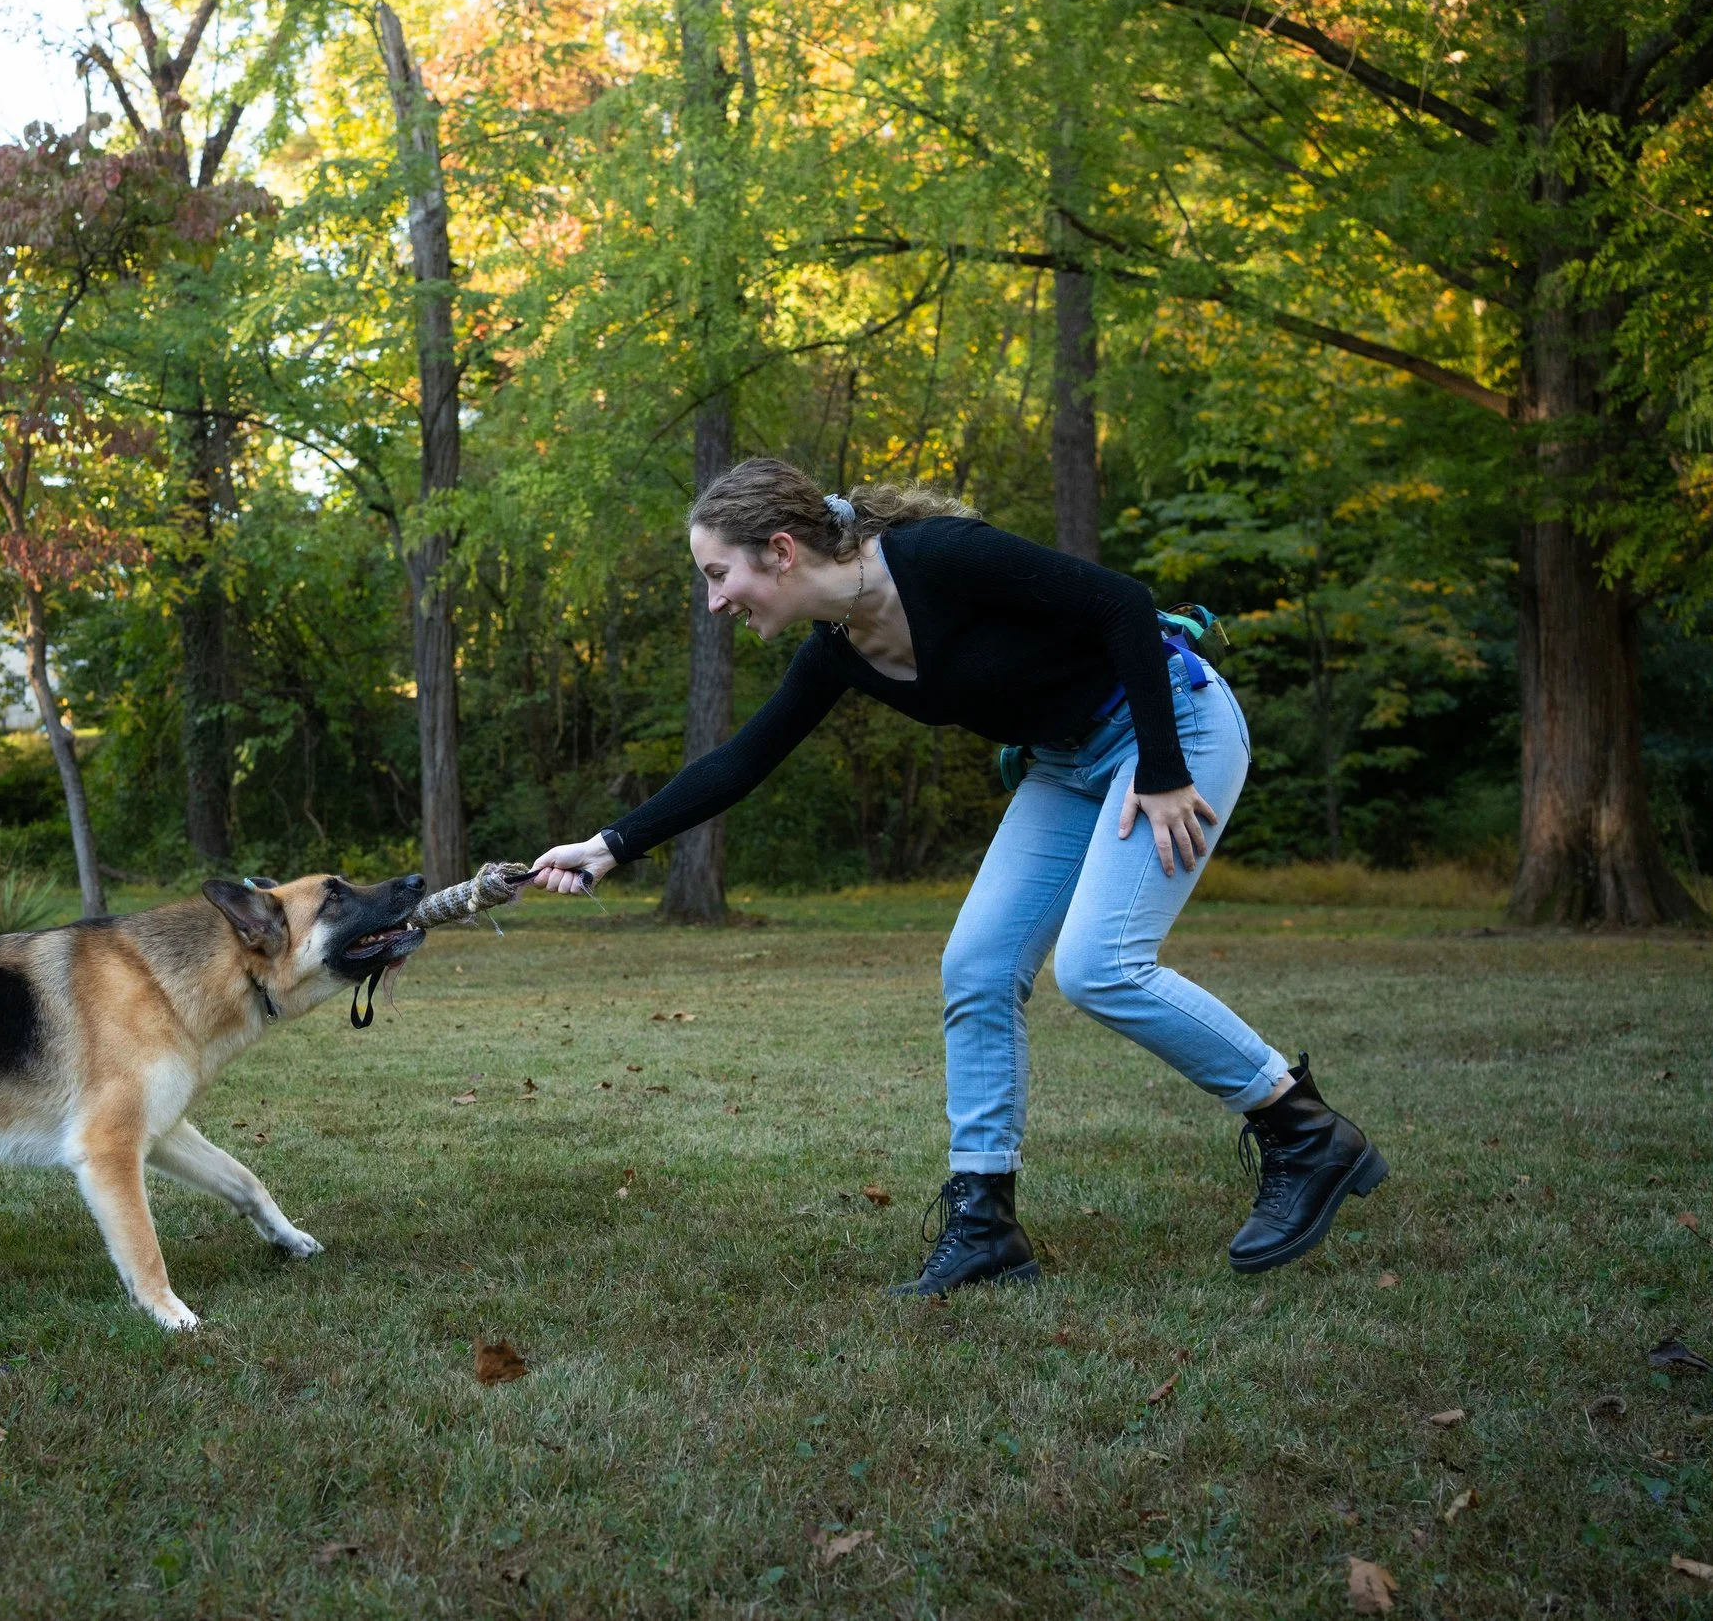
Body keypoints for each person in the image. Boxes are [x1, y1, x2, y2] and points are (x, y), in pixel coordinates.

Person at [526, 458, 1386, 1294]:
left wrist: (1162, 767)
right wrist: (610, 845)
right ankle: (986, 1229)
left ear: (781, 551)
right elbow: (744, 759)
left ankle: (1304, 1131)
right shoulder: (838, 648)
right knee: (975, 967)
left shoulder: (938, 555)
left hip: (1169, 726)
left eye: (719, 574)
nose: (715, 599)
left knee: (1101, 966)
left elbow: (1121, 603)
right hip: (1064, 764)